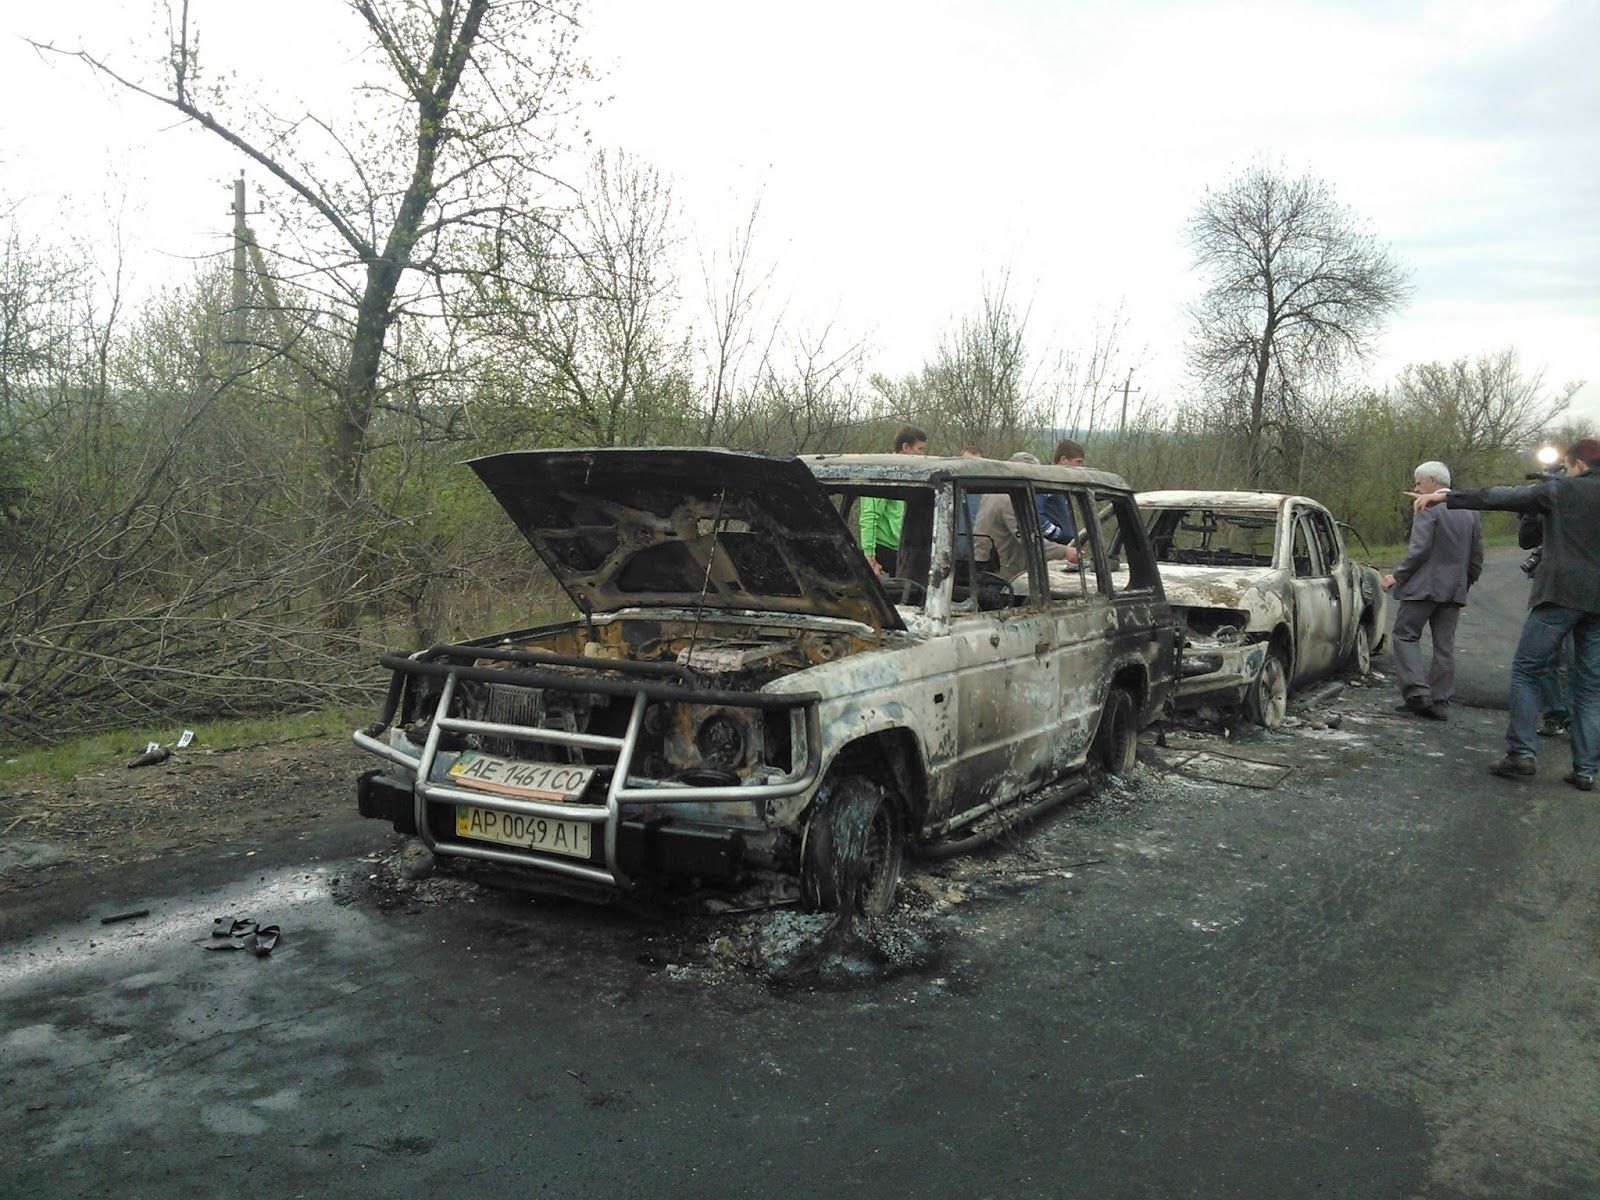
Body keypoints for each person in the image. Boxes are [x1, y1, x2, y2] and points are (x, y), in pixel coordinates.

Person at [1410, 437, 1600, 790]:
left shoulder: (1561, 492)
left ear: (1576, 465)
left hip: (1559, 595)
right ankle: (1586, 770)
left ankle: (1521, 755)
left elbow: (1499, 496)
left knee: (1528, 670)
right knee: (1590, 686)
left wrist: (1447, 497)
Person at [1381, 461, 1483, 720]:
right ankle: (1440, 701)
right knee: (1444, 646)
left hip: (1423, 588)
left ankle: (1417, 693)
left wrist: (1397, 575)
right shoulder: (1469, 510)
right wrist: (1465, 582)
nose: (1416, 488)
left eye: (1418, 482)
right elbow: (1476, 556)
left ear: (1432, 482)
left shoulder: (1428, 507)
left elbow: (1419, 550)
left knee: (1405, 634)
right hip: (1454, 590)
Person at [974, 452, 1073, 581]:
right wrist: (1065, 551)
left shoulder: (992, 493)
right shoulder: (1010, 500)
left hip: (986, 567)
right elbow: (1030, 540)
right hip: (1003, 577)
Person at [858, 424, 927, 576]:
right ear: (906, 447)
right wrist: (869, 556)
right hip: (883, 549)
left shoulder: (907, 476)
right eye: (919, 449)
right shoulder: (883, 474)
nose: (922, 455)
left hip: (901, 547)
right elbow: (869, 517)